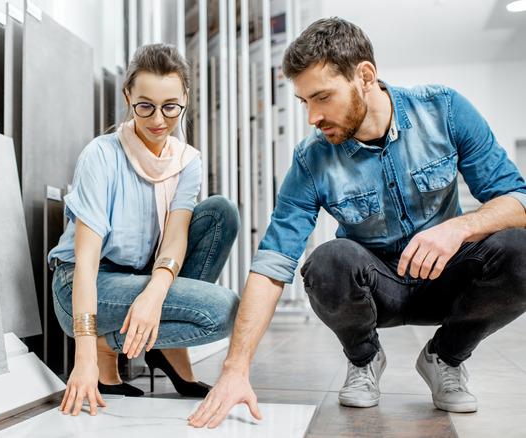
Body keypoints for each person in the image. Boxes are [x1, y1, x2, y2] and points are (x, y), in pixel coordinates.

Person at [188, 17, 526, 428]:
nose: (312, 116)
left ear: (364, 75)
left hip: (448, 277)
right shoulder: (311, 159)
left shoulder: (445, 110)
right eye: (303, 102)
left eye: (322, 97)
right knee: (327, 261)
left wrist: (458, 228)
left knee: (521, 251)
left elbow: (518, 199)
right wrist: (234, 369)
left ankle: (446, 356)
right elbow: (272, 262)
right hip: (375, 288)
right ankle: (364, 359)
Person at [48, 43, 241, 417]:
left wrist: (155, 294)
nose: (158, 120)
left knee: (221, 213)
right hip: (83, 285)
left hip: (138, 277)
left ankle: (162, 345)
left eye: (171, 107)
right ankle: (106, 348)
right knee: (222, 311)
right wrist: (84, 354)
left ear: (185, 97)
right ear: (127, 97)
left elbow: (175, 237)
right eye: (145, 106)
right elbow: (86, 262)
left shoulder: (186, 162)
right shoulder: (100, 156)